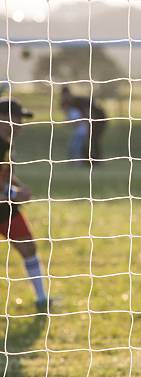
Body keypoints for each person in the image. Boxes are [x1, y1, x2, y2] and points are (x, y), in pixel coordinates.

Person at [0, 99, 53, 311]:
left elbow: (6, 175)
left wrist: (20, 187)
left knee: (28, 247)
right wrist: (14, 193)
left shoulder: (6, 144)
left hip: (5, 208)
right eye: (17, 118)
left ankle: (42, 299)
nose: (21, 123)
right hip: (6, 200)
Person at [61, 86, 107, 165]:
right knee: (87, 141)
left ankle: (95, 161)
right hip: (89, 122)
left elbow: (88, 113)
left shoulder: (79, 101)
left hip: (99, 120)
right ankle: (88, 161)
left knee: (93, 139)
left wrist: (86, 123)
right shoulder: (71, 103)